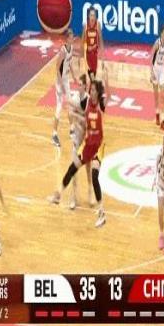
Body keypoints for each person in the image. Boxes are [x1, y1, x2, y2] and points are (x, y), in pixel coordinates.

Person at [48, 69, 110, 228]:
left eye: (94, 90)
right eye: (92, 90)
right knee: (72, 167)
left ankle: (101, 212)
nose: (92, 92)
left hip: (98, 145)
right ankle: (58, 194)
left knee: (95, 176)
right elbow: (82, 115)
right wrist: (71, 110)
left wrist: (106, 80)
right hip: (88, 143)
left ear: (97, 92)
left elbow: (108, 96)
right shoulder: (86, 104)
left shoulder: (101, 104)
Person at [66, 73, 94, 209]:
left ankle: (90, 192)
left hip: (86, 135)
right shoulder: (75, 98)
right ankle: (73, 196)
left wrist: (77, 116)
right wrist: (73, 124)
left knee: (88, 165)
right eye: (79, 84)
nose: (79, 86)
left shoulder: (89, 101)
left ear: (85, 86)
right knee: (74, 165)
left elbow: (87, 121)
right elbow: (69, 113)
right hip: (77, 135)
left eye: (81, 85)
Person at [52, 29, 76, 147]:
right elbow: (57, 67)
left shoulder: (71, 48)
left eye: (73, 37)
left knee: (70, 104)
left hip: (66, 80)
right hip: (60, 81)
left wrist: (74, 77)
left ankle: (72, 130)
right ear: (67, 39)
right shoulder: (63, 51)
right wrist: (60, 82)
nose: (73, 39)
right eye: (71, 37)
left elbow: (69, 63)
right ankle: (54, 134)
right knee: (59, 106)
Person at [150, 26, 164, 131]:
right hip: (155, 69)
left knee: (162, 95)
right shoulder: (157, 44)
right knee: (156, 96)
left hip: (162, 69)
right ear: (161, 34)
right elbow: (151, 57)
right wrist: (151, 73)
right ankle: (157, 113)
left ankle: (163, 121)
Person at [82, 8, 104, 80]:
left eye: (94, 15)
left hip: (95, 54)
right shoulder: (85, 25)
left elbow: (101, 40)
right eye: (91, 15)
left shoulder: (98, 25)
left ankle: (91, 86)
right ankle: (91, 85)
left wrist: (102, 58)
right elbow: (82, 41)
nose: (93, 17)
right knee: (91, 77)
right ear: (89, 16)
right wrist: (80, 56)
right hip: (87, 54)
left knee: (93, 75)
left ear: (96, 16)